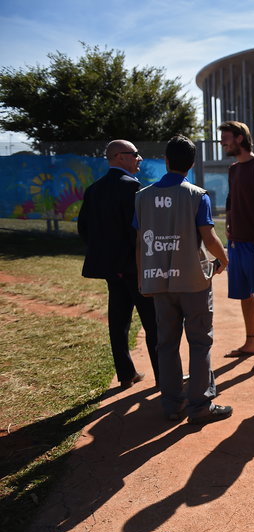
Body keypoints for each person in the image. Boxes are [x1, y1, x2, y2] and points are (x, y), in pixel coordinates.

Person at [134, 135, 232, 425]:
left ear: (166, 161)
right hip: (193, 282)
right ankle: (200, 406)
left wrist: (143, 278)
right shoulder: (196, 195)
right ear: (190, 165)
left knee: (166, 343)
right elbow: (208, 236)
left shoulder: (142, 196)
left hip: (159, 283)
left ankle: (171, 404)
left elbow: (140, 243)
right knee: (200, 343)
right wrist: (224, 259)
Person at [78, 139, 159, 390]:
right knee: (153, 323)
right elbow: (142, 231)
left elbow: (83, 230)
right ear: (119, 157)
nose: (139, 159)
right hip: (135, 269)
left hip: (111, 270)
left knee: (118, 322)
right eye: (135, 154)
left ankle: (126, 374)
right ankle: (163, 375)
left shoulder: (94, 189)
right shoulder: (133, 187)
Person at [218, 121, 254, 371]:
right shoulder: (233, 169)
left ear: (240, 139)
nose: (223, 143)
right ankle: (251, 343)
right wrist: (229, 226)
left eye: (226, 138)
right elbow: (231, 201)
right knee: (244, 294)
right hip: (236, 243)